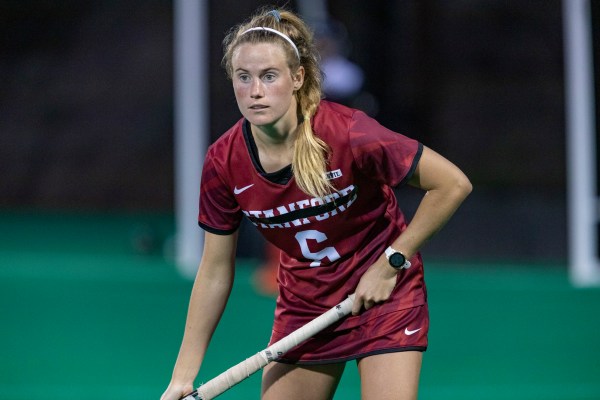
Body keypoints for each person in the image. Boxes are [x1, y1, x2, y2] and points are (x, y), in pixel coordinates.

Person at [161, 7, 472, 400]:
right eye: (244, 77)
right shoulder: (223, 161)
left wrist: (392, 261)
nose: (255, 91)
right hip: (308, 305)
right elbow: (215, 270)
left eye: (269, 76)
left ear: (297, 78)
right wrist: (182, 378)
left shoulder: (349, 133)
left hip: (384, 293)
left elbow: (452, 184)